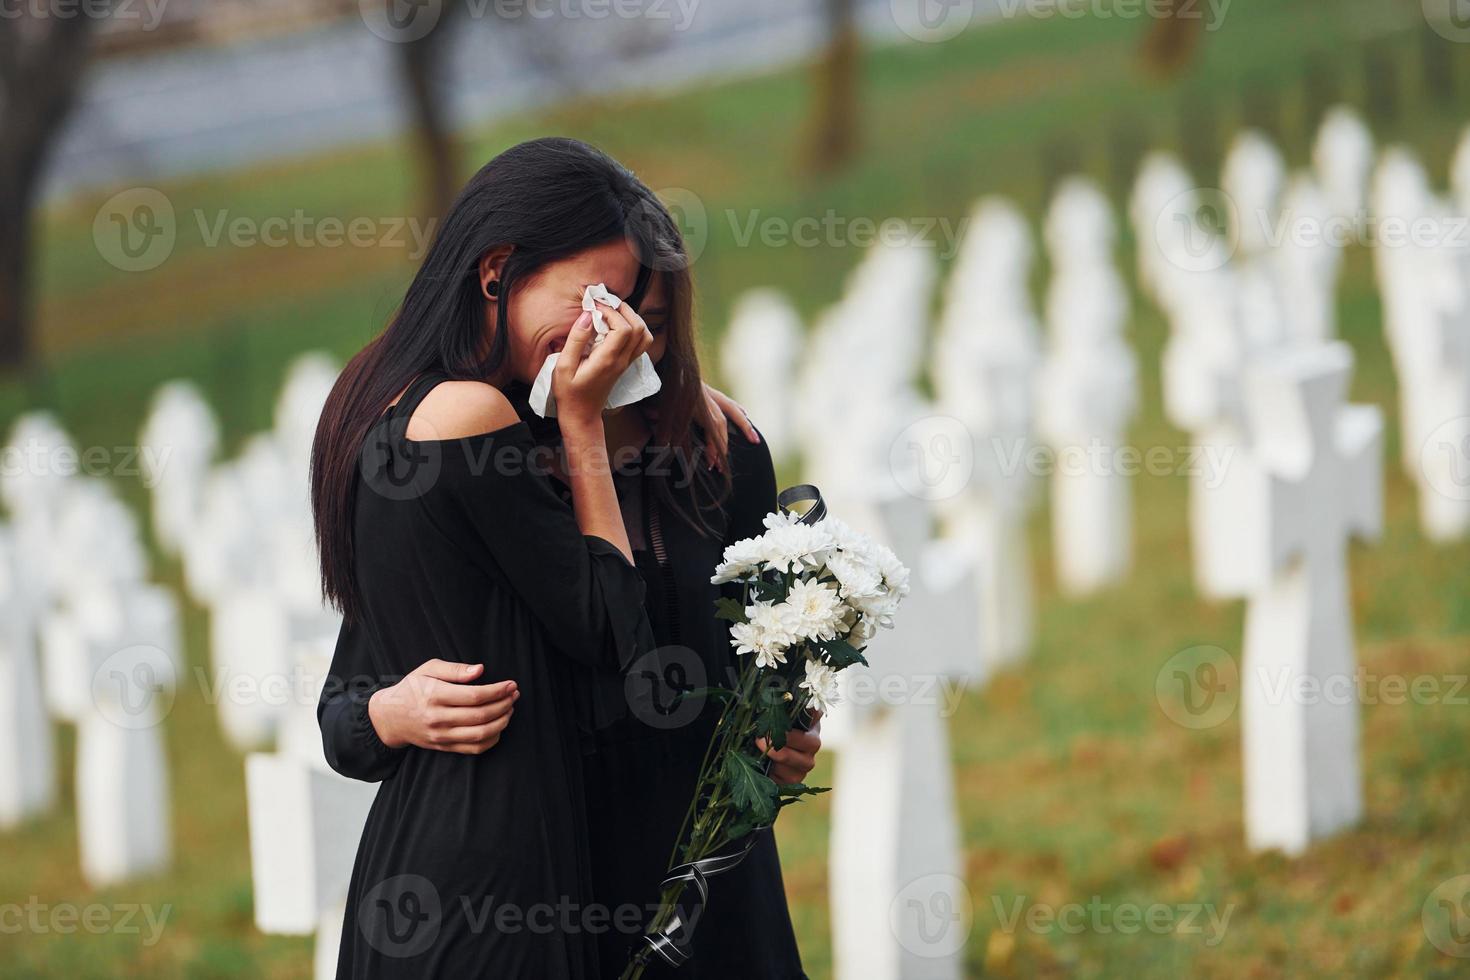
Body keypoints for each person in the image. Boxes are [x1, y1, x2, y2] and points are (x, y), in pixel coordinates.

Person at [318, 138, 819, 978]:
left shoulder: (716, 456)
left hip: (704, 880)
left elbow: (761, 665)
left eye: (643, 322)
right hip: (560, 875)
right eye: (600, 304)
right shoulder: (492, 448)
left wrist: (788, 727)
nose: (617, 342)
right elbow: (348, 707)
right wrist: (390, 712)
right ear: (496, 273)